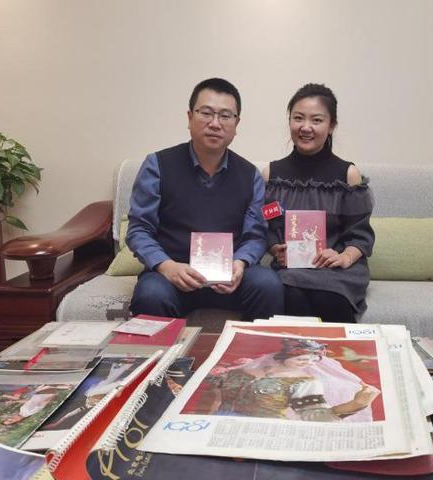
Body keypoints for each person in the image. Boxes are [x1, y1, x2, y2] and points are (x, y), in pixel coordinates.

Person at [127, 78, 284, 321]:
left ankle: (251, 347)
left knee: (268, 284)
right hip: (172, 275)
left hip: (229, 278)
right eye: (206, 113)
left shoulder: (250, 175)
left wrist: (240, 263)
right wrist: (166, 266)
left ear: (236, 124)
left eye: (225, 116)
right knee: (151, 294)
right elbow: (139, 229)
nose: (215, 123)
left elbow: (255, 235)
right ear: (190, 117)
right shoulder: (157, 165)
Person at [263, 83, 375, 322]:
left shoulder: (348, 175)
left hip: (337, 269)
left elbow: (360, 235)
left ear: (331, 125)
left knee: (328, 297)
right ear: (289, 121)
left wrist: (344, 257)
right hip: (292, 268)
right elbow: (267, 225)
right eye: (298, 118)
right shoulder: (272, 175)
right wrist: (275, 249)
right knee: (291, 292)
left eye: (316, 120)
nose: (306, 127)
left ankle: (340, 347)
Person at [201, 337, 379, 422]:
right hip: (217, 425)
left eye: (313, 359)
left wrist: (356, 404)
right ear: (285, 354)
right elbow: (216, 399)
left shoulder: (304, 382)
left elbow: (316, 416)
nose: (307, 361)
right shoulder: (246, 369)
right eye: (301, 356)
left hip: (261, 431)